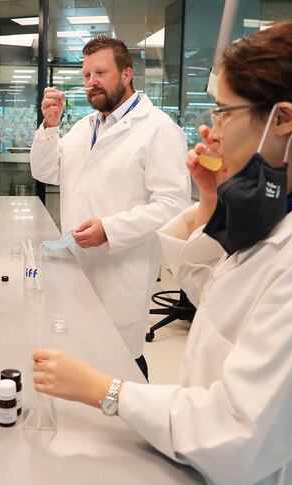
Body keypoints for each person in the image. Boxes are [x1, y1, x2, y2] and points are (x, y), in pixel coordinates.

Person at [32, 19, 292, 484]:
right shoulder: (289, 218)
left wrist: (107, 391)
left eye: (226, 112)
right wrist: (209, 202)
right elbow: (219, 302)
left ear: (282, 120)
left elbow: (239, 432)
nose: (212, 130)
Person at [30, 35, 190, 376]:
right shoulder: (82, 127)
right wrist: (50, 126)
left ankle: (134, 427)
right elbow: (46, 171)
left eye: (100, 72)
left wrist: (109, 229)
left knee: (121, 358)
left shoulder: (158, 129)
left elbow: (173, 205)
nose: (92, 82)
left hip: (121, 268)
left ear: (127, 74)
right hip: (76, 263)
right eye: (87, 75)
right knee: (84, 353)